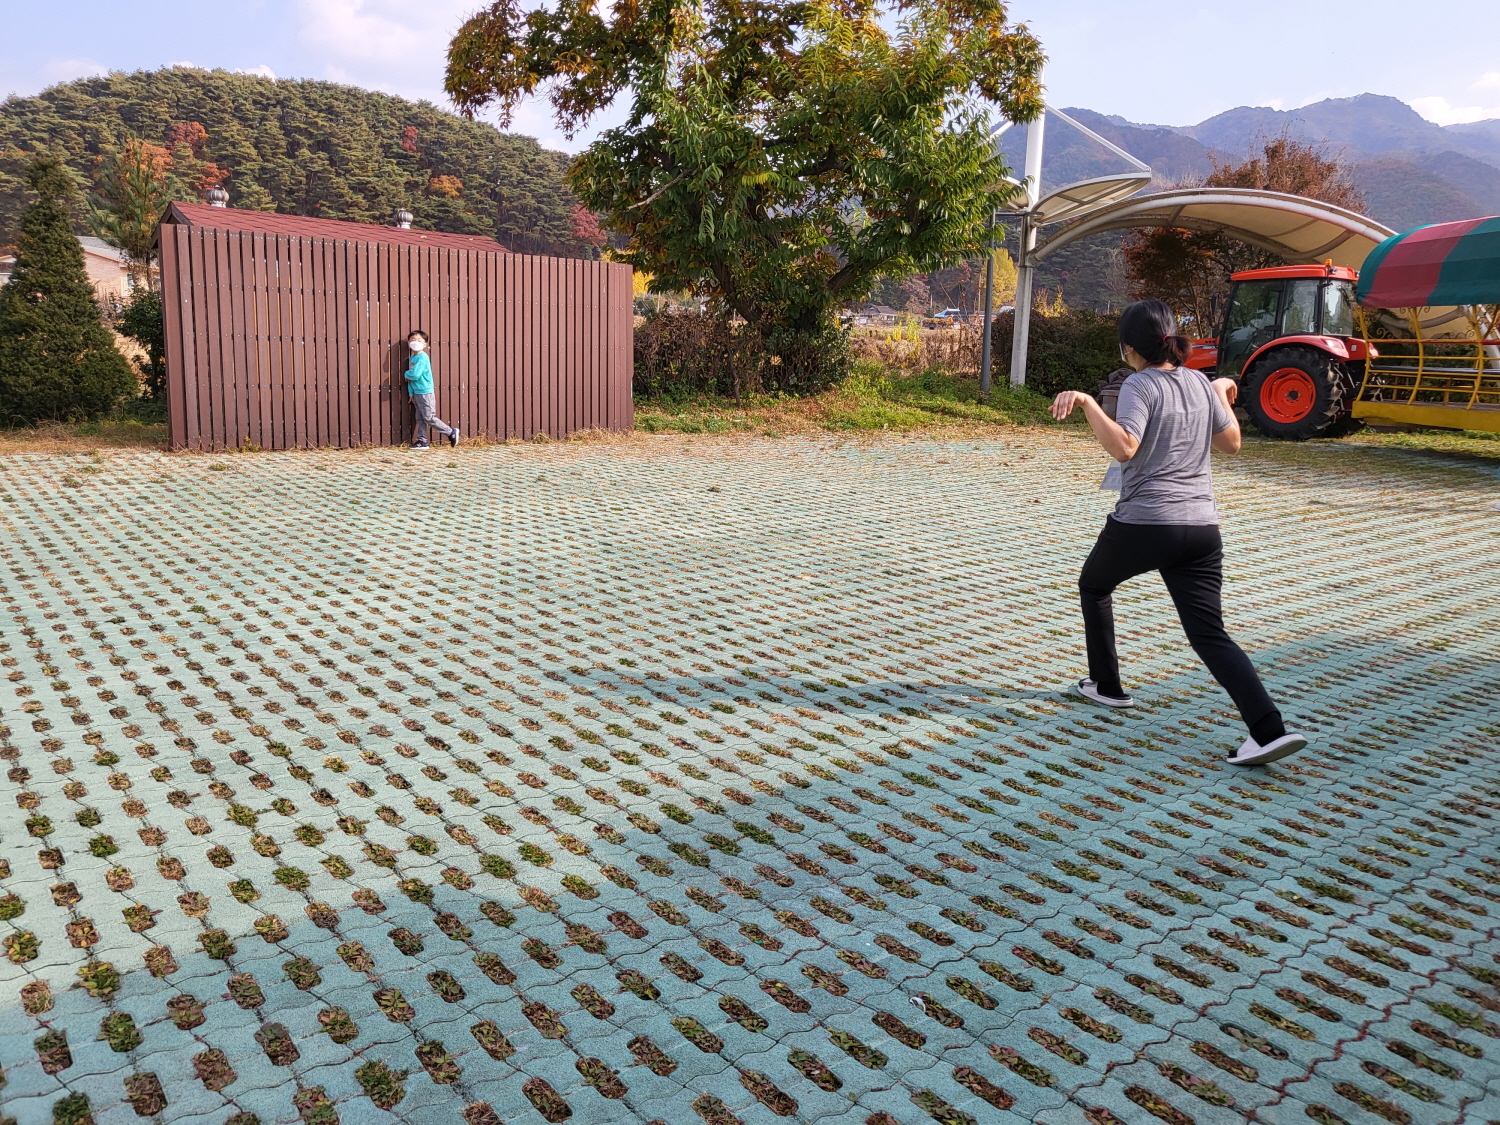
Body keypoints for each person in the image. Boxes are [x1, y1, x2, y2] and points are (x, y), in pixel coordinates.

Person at [1049, 299, 1306, 767]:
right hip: (1202, 529)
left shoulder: (1139, 383)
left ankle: (1107, 685)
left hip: (1145, 524)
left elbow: (1125, 447)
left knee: (1094, 585)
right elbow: (1232, 443)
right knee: (1210, 634)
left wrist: (1087, 402)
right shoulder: (1199, 383)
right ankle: (1269, 730)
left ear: (1129, 348)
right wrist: (1217, 393)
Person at [404, 330, 460, 450]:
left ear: (425, 344)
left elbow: (414, 375)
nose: (415, 342)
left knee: (429, 417)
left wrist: (406, 374)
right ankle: (422, 441)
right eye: (413, 339)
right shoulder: (413, 357)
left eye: (419, 340)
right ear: (408, 342)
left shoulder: (423, 357)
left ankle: (451, 432)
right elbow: (411, 379)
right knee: (420, 418)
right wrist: (411, 393)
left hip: (425, 392)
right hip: (417, 392)